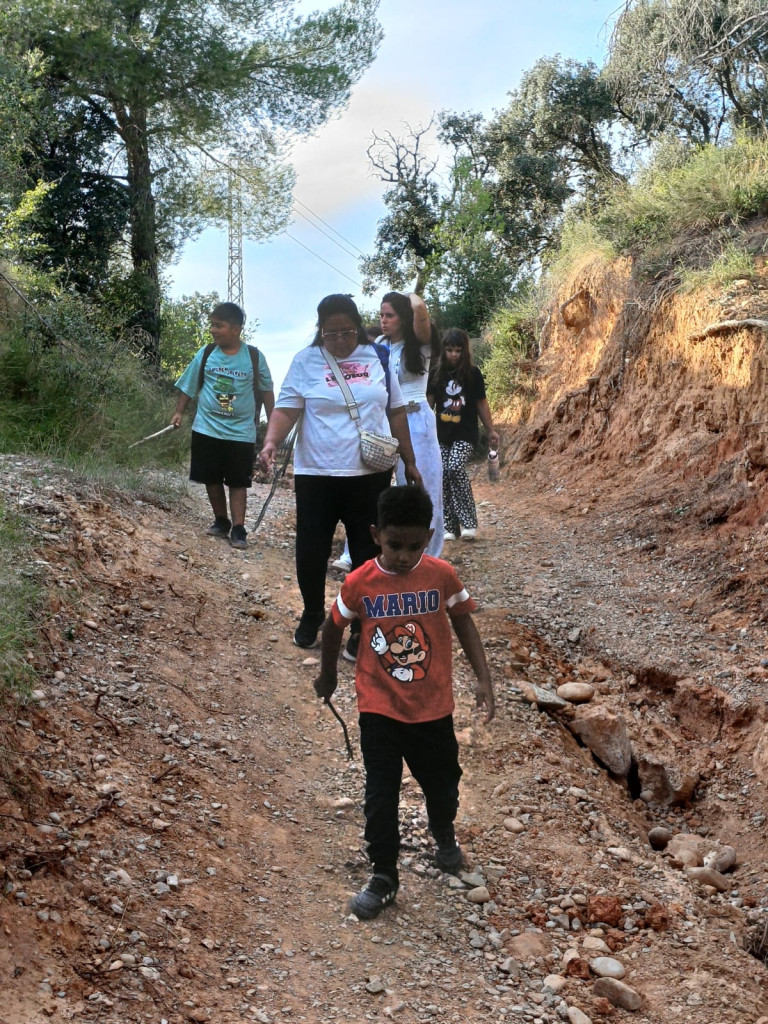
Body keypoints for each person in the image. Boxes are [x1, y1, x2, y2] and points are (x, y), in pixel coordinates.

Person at [313, 485, 495, 920]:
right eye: (395, 544)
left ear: (429, 537)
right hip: (379, 708)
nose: (404, 556)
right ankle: (384, 875)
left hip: (434, 708)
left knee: (443, 782)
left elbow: (464, 621)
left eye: (415, 546)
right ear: (376, 535)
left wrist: (483, 677)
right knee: (381, 793)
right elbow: (333, 625)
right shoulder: (360, 583)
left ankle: (443, 832)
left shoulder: (441, 575)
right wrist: (328, 675)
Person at [259, 294, 421, 660]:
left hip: (370, 473)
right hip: (316, 472)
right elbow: (286, 409)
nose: (340, 340)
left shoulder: (378, 357)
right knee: (311, 547)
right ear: (320, 331)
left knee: (367, 550)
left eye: (347, 332)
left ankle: (362, 623)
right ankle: (312, 612)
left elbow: (396, 412)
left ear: (357, 326)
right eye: (330, 334)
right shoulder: (305, 362)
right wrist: (271, 442)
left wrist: (409, 461)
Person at [332, 295, 443, 568]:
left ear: (404, 317)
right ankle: (356, 552)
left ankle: (426, 557)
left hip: (417, 422)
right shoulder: (379, 345)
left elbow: (419, 307)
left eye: (390, 315)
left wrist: (405, 297)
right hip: (383, 422)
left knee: (422, 489)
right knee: (369, 486)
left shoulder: (421, 343)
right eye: (381, 315)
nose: (383, 320)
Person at [171, 301, 275, 550]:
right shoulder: (207, 353)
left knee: (238, 481)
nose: (213, 330)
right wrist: (178, 412)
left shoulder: (253, 356)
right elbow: (189, 383)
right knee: (211, 477)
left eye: (219, 326)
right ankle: (221, 520)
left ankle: (239, 528)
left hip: (241, 431)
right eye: (212, 325)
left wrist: (273, 428)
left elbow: (266, 391)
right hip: (207, 427)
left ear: (236, 329)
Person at [430, 327, 499, 542]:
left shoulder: (473, 374)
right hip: (441, 435)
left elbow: (481, 403)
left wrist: (490, 429)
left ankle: (468, 522)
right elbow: (428, 405)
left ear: (464, 351)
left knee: (455, 467)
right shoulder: (436, 374)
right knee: (443, 474)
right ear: (444, 350)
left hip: (465, 433)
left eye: (458, 350)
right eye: (449, 350)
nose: (453, 354)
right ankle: (450, 526)